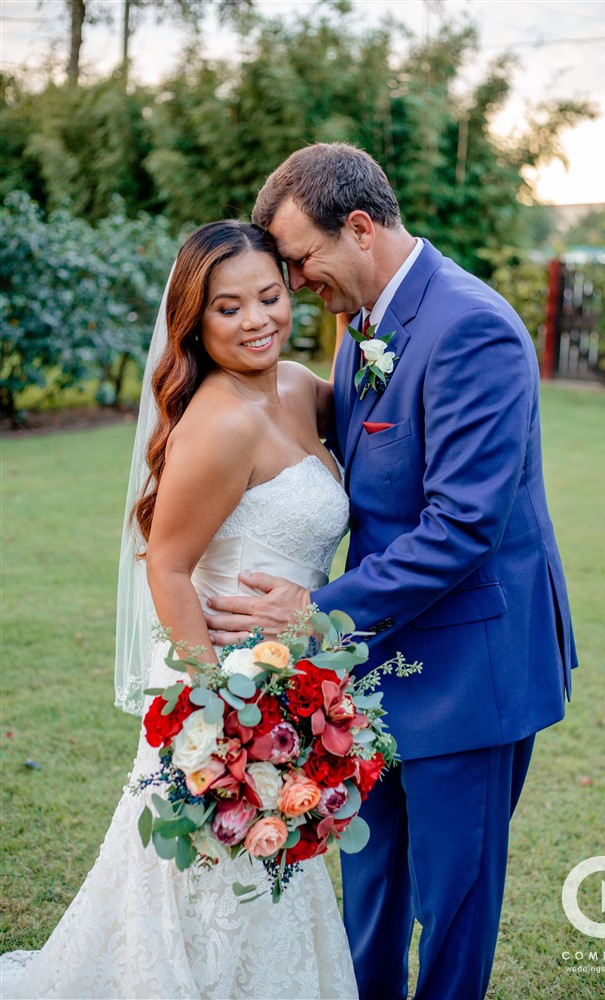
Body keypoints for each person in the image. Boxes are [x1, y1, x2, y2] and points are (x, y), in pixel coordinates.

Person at [204, 143, 578, 1000]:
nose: (295, 285)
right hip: (375, 673)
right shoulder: (360, 328)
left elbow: (461, 528)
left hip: (470, 672)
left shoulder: (472, 327)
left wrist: (315, 612)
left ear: (361, 228)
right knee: (370, 896)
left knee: (452, 908)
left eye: (299, 262)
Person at [0, 221, 358, 1000]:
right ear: (195, 320)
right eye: (228, 308)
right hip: (225, 685)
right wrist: (215, 717)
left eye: (269, 295)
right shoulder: (220, 421)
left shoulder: (298, 387)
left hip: (292, 670)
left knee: (272, 868)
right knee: (208, 868)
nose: (257, 319)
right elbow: (166, 564)